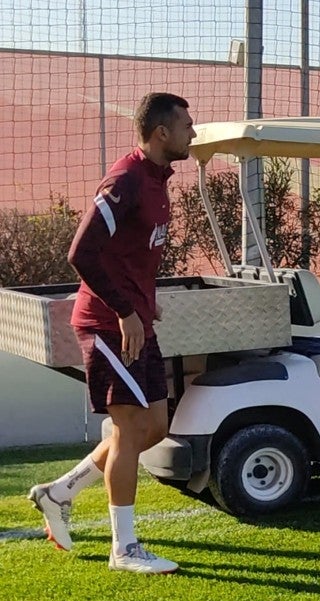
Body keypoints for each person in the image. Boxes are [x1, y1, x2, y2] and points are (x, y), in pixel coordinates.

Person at [27, 92, 196, 573]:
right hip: (109, 324)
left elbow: (129, 253)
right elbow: (81, 252)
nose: (192, 132)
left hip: (137, 319)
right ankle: (124, 549)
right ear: (161, 132)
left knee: (156, 426)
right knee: (128, 428)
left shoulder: (157, 180)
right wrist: (124, 310)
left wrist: (146, 299)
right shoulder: (125, 180)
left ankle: (60, 492)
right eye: (186, 125)